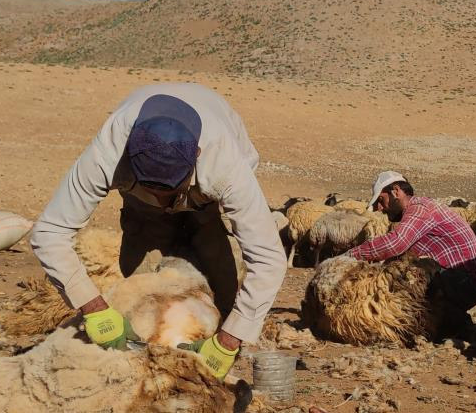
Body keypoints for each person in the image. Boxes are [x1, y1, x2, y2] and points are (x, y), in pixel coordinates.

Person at [30, 83, 287, 379]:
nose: (166, 203)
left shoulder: (225, 164)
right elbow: (49, 232)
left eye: (170, 191)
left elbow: (268, 259)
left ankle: (210, 368)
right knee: (142, 288)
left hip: (204, 201)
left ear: (197, 156)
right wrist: (95, 309)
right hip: (141, 206)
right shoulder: (109, 151)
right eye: (156, 190)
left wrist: (229, 340)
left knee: (223, 283)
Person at [346, 171, 476, 336]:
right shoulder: (415, 213)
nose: (380, 208)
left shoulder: (420, 208)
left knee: (405, 291)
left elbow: (394, 243)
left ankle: (449, 321)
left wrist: (349, 257)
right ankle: (449, 319)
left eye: (381, 200)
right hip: (456, 281)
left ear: (396, 191)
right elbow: (398, 255)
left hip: (463, 282)